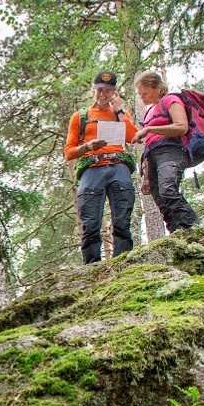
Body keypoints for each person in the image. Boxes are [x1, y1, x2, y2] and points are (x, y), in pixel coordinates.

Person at [63, 70, 138, 263]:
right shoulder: (80, 116)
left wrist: (120, 111)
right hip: (91, 169)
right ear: (93, 90)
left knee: (122, 219)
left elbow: (132, 137)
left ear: (115, 92)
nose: (104, 94)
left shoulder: (120, 113)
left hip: (118, 166)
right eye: (100, 90)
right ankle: (92, 267)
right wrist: (87, 147)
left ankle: (123, 264)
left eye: (109, 90)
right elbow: (69, 152)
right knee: (90, 222)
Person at [133, 70, 199, 233]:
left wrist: (149, 129)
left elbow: (181, 127)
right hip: (152, 157)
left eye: (145, 93)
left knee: (167, 189)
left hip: (171, 151)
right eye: (140, 94)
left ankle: (193, 228)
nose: (142, 97)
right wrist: (146, 178)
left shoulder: (171, 100)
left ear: (157, 88)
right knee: (162, 201)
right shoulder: (149, 112)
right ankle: (177, 235)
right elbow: (149, 145)